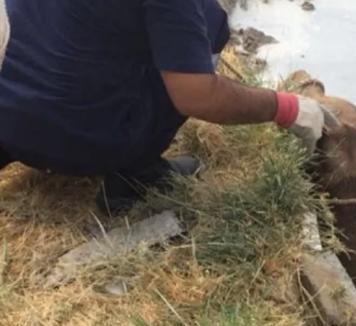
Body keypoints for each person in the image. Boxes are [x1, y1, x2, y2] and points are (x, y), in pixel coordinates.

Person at [0, 0, 334, 214]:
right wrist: (286, 108)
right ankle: (133, 177)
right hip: (81, 145)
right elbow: (197, 95)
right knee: (210, 31)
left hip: (9, 124)